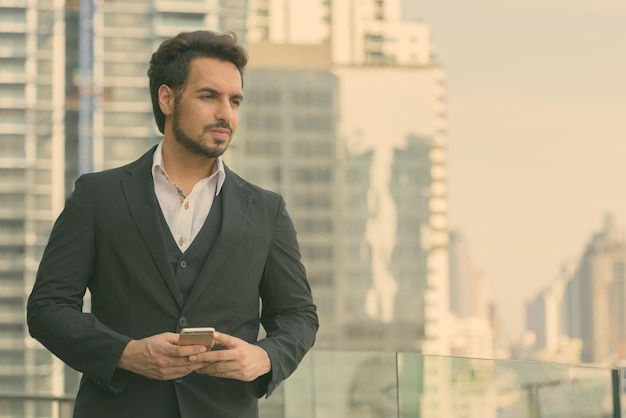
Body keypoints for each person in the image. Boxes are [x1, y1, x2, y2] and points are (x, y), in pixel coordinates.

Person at [27, 30, 318, 418]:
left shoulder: (266, 210)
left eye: (235, 101)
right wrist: (127, 354)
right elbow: (47, 309)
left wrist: (264, 357)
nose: (225, 114)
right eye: (209, 96)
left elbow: (298, 316)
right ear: (167, 98)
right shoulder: (98, 196)